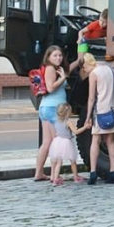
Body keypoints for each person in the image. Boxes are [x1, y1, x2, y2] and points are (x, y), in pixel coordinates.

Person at [82, 53, 114, 185]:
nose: (85, 71)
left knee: (95, 140)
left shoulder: (94, 74)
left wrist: (88, 117)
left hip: (101, 110)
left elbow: (91, 97)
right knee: (110, 140)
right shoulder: (111, 70)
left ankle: (93, 172)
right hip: (113, 109)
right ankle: (113, 170)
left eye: (84, 68)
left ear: (86, 64)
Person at [34, 45, 70, 182]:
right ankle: (55, 175)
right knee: (57, 142)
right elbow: (50, 87)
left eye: (60, 55)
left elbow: (70, 67)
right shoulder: (50, 68)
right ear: (48, 57)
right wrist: (63, 78)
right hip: (54, 108)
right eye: (55, 55)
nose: (58, 58)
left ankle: (39, 173)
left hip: (46, 108)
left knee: (47, 142)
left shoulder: (56, 69)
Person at [49, 103, 88, 186]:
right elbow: (76, 132)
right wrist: (85, 127)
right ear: (67, 112)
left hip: (57, 141)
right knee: (72, 160)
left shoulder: (56, 121)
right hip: (66, 142)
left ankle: (55, 179)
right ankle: (76, 176)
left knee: (58, 161)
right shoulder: (68, 122)